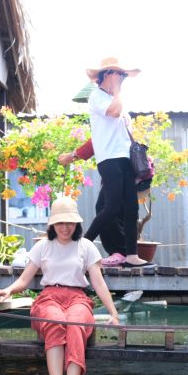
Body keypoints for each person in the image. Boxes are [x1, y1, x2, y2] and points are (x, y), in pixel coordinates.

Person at [0, 196, 121, 375]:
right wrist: (8, 290)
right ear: (52, 224)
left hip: (77, 298)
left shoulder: (86, 246)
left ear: (76, 224)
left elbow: (99, 283)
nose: (65, 228)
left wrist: (113, 313)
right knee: (55, 321)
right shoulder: (42, 246)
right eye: (60, 223)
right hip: (49, 297)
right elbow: (24, 280)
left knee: (75, 323)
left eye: (69, 223)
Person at [79, 57, 152, 268]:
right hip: (109, 160)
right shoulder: (97, 96)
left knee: (131, 209)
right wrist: (117, 91)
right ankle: (80, 249)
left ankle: (131, 255)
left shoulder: (116, 100)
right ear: (107, 74)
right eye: (118, 74)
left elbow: (125, 132)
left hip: (125, 159)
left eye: (122, 75)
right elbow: (114, 112)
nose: (121, 78)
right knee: (110, 207)